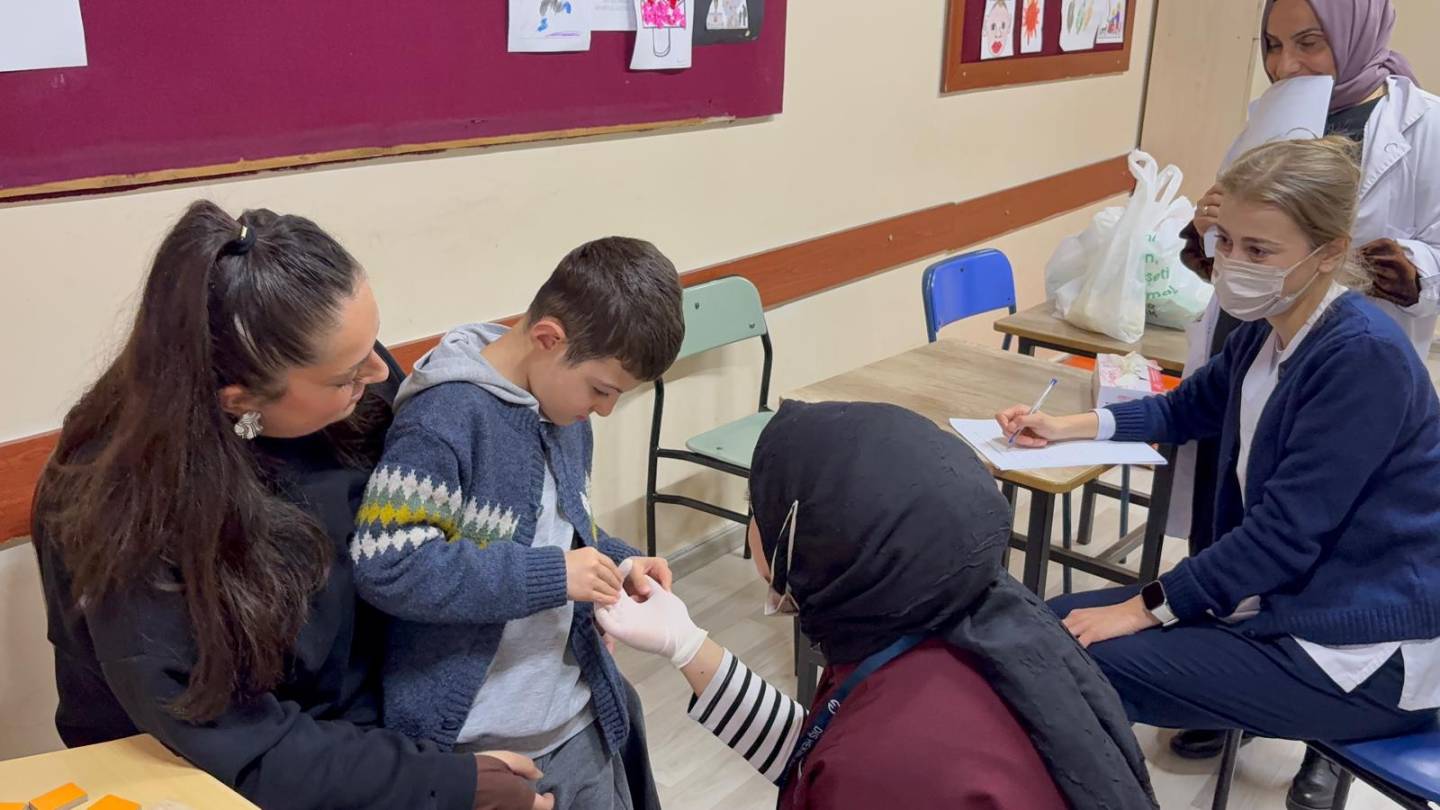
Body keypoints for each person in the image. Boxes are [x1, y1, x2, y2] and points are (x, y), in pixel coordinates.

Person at [32, 201, 552, 809]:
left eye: (373, 345)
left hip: (362, 737)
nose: (379, 373)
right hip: (206, 772)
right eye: (345, 376)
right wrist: (447, 784)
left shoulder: (358, 391)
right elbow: (231, 739)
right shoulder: (129, 509)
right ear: (240, 400)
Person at [1006, 138, 1440, 810]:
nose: (1233, 265)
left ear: (1330, 252)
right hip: (1294, 601)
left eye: (1259, 251)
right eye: (1226, 242)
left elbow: (1281, 537)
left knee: (1072, 657)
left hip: (1363, 649)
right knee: (1046, 625)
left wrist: (1141, 607)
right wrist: (1069, 426)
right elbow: (1186, 408)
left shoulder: (1360, 358)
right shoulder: (1269, 329)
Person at [597, 400, 1159, 810]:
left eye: (758, 507)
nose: (752, 526)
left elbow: (848, 764)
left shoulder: (880, 765)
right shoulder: (961, 616)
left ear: (814, 539)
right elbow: (819, 749)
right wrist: (686, 645)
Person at [1172, 2, 1440, 797]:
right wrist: (1210, 242)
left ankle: (1333, 729)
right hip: (1253, 345)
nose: (1287, 65)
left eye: (1309, 43)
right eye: (1273, 46)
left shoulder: (1425, 127)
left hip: (1346, 370)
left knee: (1322, 546)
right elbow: (1240, 226)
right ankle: (1225, 693)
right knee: (1233, 522)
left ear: (1358, 32)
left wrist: (1416, 269)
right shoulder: (1272, 116)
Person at [349, 238, 684, 810]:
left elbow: (559, 532)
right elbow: (389, 565)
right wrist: (554, 575)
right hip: (481, 747)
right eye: (601, 390)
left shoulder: (563, 411)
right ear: (549, 338)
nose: (605, 410)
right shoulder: (446, 416)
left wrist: (618, 561)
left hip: (577, 717)